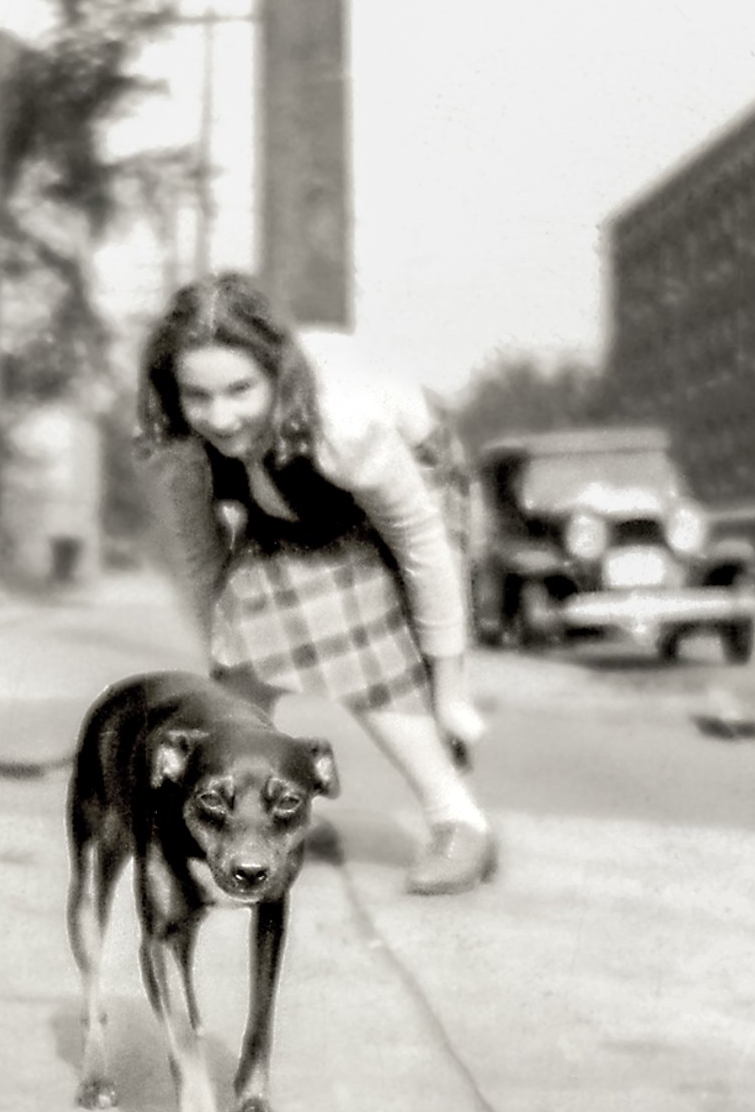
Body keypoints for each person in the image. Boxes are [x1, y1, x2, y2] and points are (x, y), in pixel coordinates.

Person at [136, 272, 495, 895]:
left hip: (415, 481)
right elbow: (203, 567)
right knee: (246, 643)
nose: (220, 416)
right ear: (175, 392)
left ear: (279, 373)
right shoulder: (185, 448)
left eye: (241, 389)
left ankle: (458, 819)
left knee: (347, 624)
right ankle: (266, 813)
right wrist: (224, 651)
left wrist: (451, 691)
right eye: (199, 396)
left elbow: (424, 547)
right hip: (289, 500)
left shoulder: (345, 425)